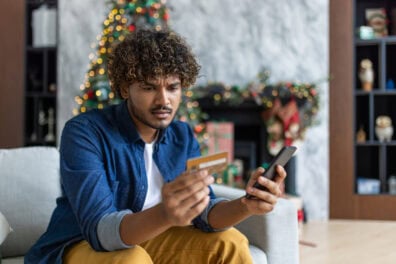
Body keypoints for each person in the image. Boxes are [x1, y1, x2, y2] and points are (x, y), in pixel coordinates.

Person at [26, 29, 286, 264]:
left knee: (231, 243)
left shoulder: (181, 136)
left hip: (151, 237)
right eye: (149, 87)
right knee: (132, 260)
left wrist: (246, 205)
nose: (164, 100)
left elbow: (204, 213)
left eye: (173, 87)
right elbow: (100, 231)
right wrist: (167, 214)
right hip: (79, 244)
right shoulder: (85, 133)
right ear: (126, 88)